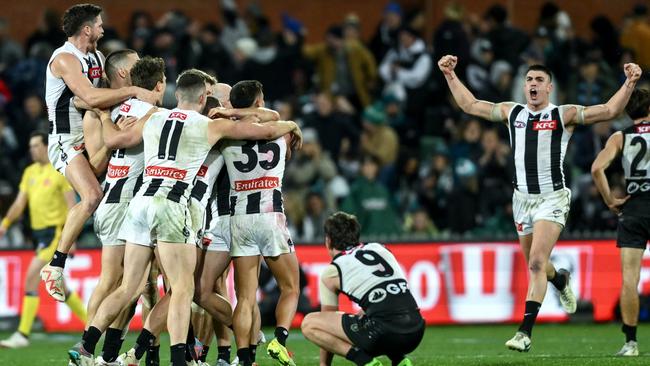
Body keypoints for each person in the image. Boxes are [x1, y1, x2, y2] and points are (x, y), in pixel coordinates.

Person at [68, 71, 301, 366]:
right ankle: (181, 359)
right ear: (204, 99)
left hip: (140, 204)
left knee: (129, 285)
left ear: (177, 95)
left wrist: (102, 116)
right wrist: (290, 123)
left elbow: (114, 139)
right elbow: (266, 130)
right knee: (182, 289)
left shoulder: (154, 116)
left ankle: (86, 345)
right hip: (175, 205)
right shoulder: (211, 127)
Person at [438, 54, 642, 351]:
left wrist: (630, 81)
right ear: (525, 87)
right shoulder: (513, 113)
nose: (533, 85)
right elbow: (470, 105)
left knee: (535, 262)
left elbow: (610, 110)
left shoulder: (563, 115)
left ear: (549, 88)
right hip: (522, 200)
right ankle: (560, 280)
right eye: (529, 80)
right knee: (539, 264)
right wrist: (450, 75)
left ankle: (524, 333)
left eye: (539, 81)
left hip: (552, 198)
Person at [40, 3, 154, 302]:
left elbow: (97, 97)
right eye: (99, 24)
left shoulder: (97, 56)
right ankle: (55, 265)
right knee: (91, 196)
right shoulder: (65, 58)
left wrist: (111, 110)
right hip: (66, 139)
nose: (103, 29)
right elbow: (89, 96)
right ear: (87, 28)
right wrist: (133, 92)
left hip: (91, 131)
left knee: (110, 172)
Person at [90, 55, 167, 365]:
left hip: (120, 201)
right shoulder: (151, 113)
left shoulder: (116, 108)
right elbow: (104, 153)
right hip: (123, 203)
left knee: (138, 283)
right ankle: (90, 350)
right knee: (118, 283)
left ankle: (111, 353)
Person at [220, 80, 300, 366]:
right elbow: (282, 137)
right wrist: (288, 124)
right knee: (291, 287)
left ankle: (243, 358)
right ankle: (279, 339)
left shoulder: (225, 132)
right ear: (258, 102)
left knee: (244, 297)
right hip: (270, 215)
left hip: (239, 217)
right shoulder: (282, 132)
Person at [301, 211, 424, 366]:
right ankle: (399, 360)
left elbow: (327, 320)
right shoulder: (380, 248)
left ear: (328, 240)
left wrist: (324, 364)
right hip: (416, 329)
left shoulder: (332, 271)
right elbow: (397, 289)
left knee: (309, 323)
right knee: (372, 315)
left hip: (383, 333)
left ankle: (364, 361)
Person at [0, 132, 86, 349]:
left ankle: (22, 334)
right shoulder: (29, 172)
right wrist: (5, 224)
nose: (32, 150)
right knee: (61, 288)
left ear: (47, 147)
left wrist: (71, 237)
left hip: (55, 234)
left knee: (31, 278)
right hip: (38, 235)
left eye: (36, 145)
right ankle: (93, 325)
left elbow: (71, 206)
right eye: (30, 146)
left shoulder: (59, 171)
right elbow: (20, 203)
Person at [591, 88, 650, 356]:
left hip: (634, 208)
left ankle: (630, 343)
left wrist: (610, 200)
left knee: (629, 279)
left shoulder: (620, 136)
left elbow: (596, 168)